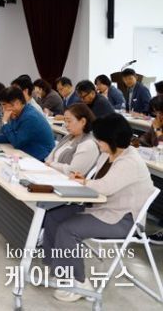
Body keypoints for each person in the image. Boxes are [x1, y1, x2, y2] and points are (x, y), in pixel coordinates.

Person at [42, 114, 154, 302]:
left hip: (122, 218)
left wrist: (85, 182)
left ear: (112, 140)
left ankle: (80, 284)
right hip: (102, 208)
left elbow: (105, 187)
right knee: (54, 215)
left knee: (68, 229)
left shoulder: (130, 161)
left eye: (100, 140)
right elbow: (99, 182)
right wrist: (84, 180)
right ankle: (59, 270)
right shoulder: (107, 154)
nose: (97, 143)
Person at [0, 87, 55, 161]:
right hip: (27, 152)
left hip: (40, 158)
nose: (3, 109)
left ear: (17, 103)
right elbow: (11, 136)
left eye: (4, 105)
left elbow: (17, 143)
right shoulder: (18, 113)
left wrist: (5, 122)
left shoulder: (30, 117)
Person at [44, 104, 100, 176]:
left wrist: (51, 164)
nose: (66, 125)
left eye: (69, 121)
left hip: (65, 180)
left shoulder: (89, 144)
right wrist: (49, 164)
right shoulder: (68, 137)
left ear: (83, 121)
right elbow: (49, 158)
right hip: (51, 174)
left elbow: (73, 171)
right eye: (65, 121)